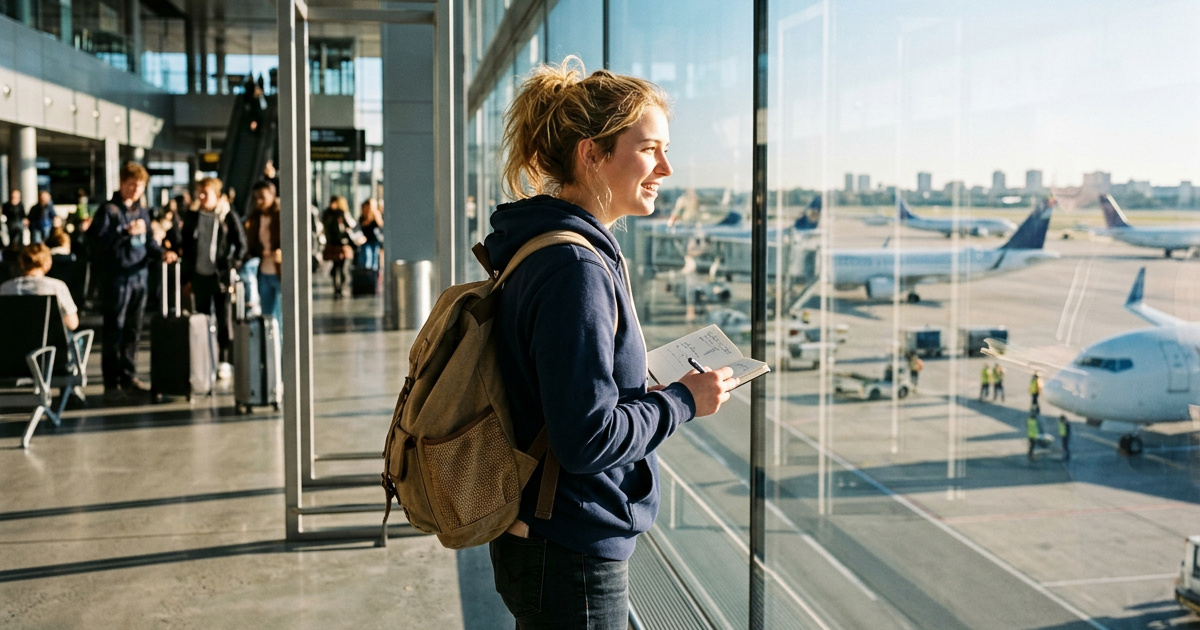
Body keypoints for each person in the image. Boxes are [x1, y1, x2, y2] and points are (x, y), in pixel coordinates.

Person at [483, 57, 738, 628]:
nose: (666, 168)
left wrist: (636, 387)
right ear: (592, 154)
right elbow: (586, 439)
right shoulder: (575, 266)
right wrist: (682, 401)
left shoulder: (543, 245)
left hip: (543, 537)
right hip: (569, 548)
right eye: (649, 149)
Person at [87, 161, 173, 399]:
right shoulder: (109, 211)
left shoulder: (141, 211)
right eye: (131, 185)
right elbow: (96, 243)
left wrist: (162, 253)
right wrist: (124, 233)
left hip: (139, 276)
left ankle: (128, 375)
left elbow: (148, 244)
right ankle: (111, 382)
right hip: (117, 277)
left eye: (140, 186)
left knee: (134, 330)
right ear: (122, 184)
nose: (135, 190)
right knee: (115, 328)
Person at [179, 177, 247, 378]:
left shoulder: (227, 216)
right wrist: (187, 278)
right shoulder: (192, 217)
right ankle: (204, 359)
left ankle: (224, 360)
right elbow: (186, 246)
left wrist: (232, 265)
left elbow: (242, 245)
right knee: (201, 318)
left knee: (223, 317)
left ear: (216, 196)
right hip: (199, 275)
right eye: (199, 192)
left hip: (220, 277)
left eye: (205, 193)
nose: (201, 197)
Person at [0, 243, 79, 330]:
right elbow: (72, 324)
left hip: (12, 341)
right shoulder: (56, 287)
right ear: (48, 263)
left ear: (22, 262)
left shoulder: (5, 288)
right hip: (49, 341)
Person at [245, 180, 282, 325]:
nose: (259, 201)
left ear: (272, 195)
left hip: (279, 271)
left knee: (280, 315)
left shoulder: (281, 215)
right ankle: (270, 345)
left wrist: (278, 251)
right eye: (256, 197)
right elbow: (251, 243)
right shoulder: (255, 217)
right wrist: (262, 251)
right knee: (267, 315)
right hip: (264, 270)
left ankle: (281, 346)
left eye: (262, 196)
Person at [321, 196, 355, 298]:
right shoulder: (328, 214)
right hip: (334, 243)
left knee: (342, 267)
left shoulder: (341, 213)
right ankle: (337, 288)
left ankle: (341, 287)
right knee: (337, 267)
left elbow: (348, 225)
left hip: (342, 243)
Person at [356, 198, 383, 271]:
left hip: (374, 240)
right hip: (365, 240)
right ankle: (366, 272)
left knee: (374, 257)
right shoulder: (362, 217)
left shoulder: (375, 216)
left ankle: (373, 274)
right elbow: (361, 227)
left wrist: (376, 213)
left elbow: (381, 225)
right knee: (367, 256)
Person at [3, 188, 26, 253]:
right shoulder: (7, 205)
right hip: (10, 224)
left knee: (19, 238)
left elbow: (23, 214)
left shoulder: (20, 205)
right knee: (12, 239)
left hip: (19, 224)